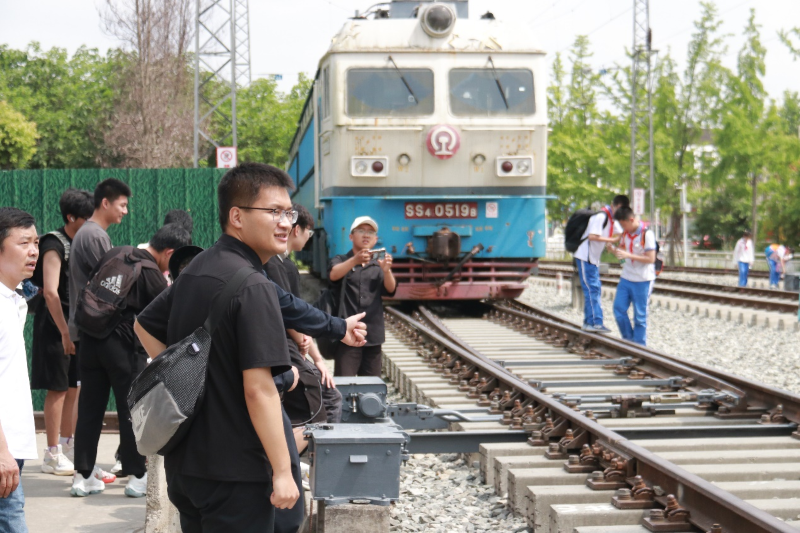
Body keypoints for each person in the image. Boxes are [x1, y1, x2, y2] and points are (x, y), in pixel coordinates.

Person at [133, 163, 367, 532]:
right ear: (237, 217)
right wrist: (282, 472)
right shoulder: (252, 286)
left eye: (289, 213)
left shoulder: (200, 266)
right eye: (274, 211)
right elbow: (259, 390)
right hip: (237, 473)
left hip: (187, 465)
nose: (285, 223)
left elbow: (144, 324)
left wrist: (192, 382)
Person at [70, 224, 191, 499]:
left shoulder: (115, 253)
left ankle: (83, 476)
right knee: (132, 409)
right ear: (169, 252)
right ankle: (137, 476)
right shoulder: (150, 271)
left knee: (89, 408)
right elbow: (166, 314)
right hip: (122, 347)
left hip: (89, 340)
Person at [67, 178, 131, 485]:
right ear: (105, 203)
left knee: (91, 406)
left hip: (89, 331)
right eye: (122, 205)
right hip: (100, 332)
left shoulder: (89, 234)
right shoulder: (94, 236)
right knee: (116, 404)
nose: (125, 211)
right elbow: (112, 287)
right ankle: (131, 470)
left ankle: (85, 473)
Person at [30, 188, 93, 476]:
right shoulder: (54, 245)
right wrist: (66, 333)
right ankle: (52, 453)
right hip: (55, 327)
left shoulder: (80, 242)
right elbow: (51, 292)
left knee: (73, 387)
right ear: (70, 217)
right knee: (57, 388)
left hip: (74, 327)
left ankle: (68, 445)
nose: (90, 223)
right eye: (85, 218)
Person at [0, 207, 39, 532]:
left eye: (36, 242)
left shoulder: (15, 300)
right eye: (24, 242)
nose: (34, 251)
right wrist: (2, 452)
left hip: (12, 445)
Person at [329, 216, 397, 377]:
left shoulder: (379, 264)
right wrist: (354, 260)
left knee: (372, 385)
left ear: (376, 239)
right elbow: (333, 275)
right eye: (361, 231)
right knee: (344, 384)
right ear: (351, 236)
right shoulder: (341, 260)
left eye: (370, 232)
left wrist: (387, 271)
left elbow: (391, 290)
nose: (366, 235)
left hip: (373, 335)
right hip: (347, 333)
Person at [572, 195, 629, 333]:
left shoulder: (612, 219)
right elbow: (592, 236)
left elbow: (620, 234)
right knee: (592, 289)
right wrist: (611, 240)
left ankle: (589, 323)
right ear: (614, 206)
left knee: (594, 288)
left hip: (593, 258)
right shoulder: (601, 216)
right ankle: (596, 323)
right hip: (585, 256)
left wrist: (618, 246)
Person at [607, 206, 657, 346]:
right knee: (618, 309)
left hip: (643, 280)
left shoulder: (647, 234)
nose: (623, 228)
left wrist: (628, 255)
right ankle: (629, 341)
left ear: (631, 219)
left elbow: (651, 258)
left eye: (624, 225)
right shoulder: (625, 234)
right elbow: (622, 253)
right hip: (626, 277)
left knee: (640, 316)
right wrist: (613, 250)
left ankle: (639, 346)